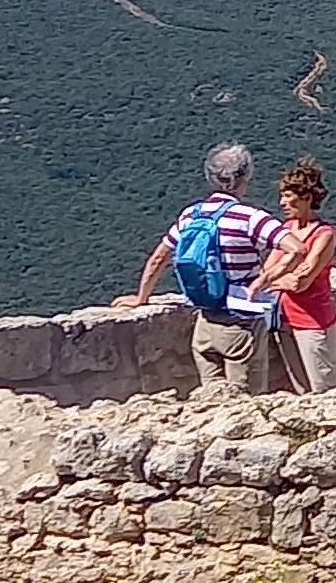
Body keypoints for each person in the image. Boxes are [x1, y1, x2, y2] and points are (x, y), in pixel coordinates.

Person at [122, 140, 286, 398]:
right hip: (240, 326)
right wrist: (267, 277)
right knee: (248, 403)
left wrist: (142, 298)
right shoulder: (250, 217)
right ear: (246, 178)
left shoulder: (191, 215)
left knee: (211, 399)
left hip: (204, 324)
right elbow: (296, 248)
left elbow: (158, 258)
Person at [265, 158, 336, 391]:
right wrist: (281, 277)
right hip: (284, 318)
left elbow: (301, 282)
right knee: (301, 390)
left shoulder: (324, 235)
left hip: (313, 322)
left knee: (324, 388)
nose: (282, 203)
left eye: (288, 197)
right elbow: (266, 271)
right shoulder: (286, 229)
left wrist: (276, 279)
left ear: (307, 198)